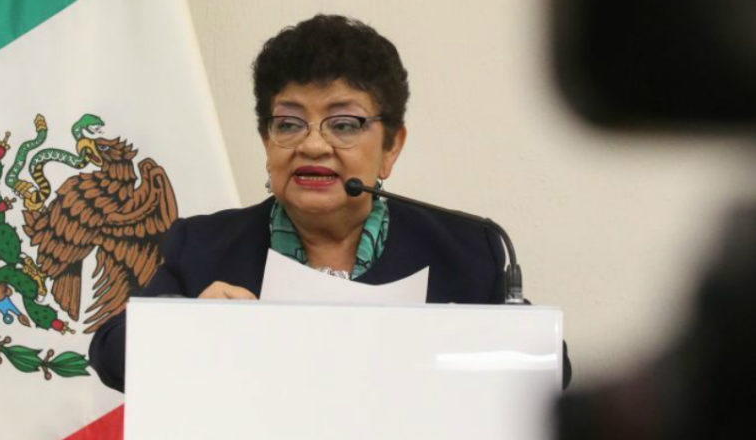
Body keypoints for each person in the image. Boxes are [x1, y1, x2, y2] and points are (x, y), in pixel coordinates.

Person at [90, 14, 570, 392]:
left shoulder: (464, 251)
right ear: (267, 141)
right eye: (289, 123)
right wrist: (189, 325)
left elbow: (551, 371)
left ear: (391, 147)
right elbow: (110, 355)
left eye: (343, 124)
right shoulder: (203, 246)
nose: (313, 145)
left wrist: (467, 343)